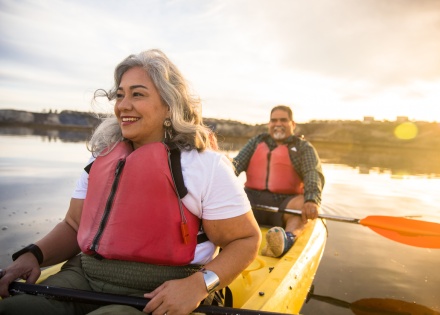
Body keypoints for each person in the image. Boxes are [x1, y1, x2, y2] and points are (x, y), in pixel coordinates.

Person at [0, 49, 261, 315]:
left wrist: (199, 285)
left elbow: (245, 240)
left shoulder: (205, 166)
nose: (123, 105)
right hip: (85, 278)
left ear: (170, 104)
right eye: (120, 95)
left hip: (162, 290)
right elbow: (73, 225)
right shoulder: (101, 159)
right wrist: (34, 255)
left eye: (138, 94)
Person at [233, 105, 324, 258]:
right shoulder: (257, 142)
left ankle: (287, 238)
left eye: (283, 120)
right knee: (228, 195)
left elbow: (312, 173)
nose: (278, 124)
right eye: (274, 120)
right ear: (269, 124)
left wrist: (312, 199)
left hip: (285, 204)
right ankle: (224, 236)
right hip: (251, 202)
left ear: (292, 124)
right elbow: (235, 165)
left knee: (302, 203)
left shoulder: (302, 147)